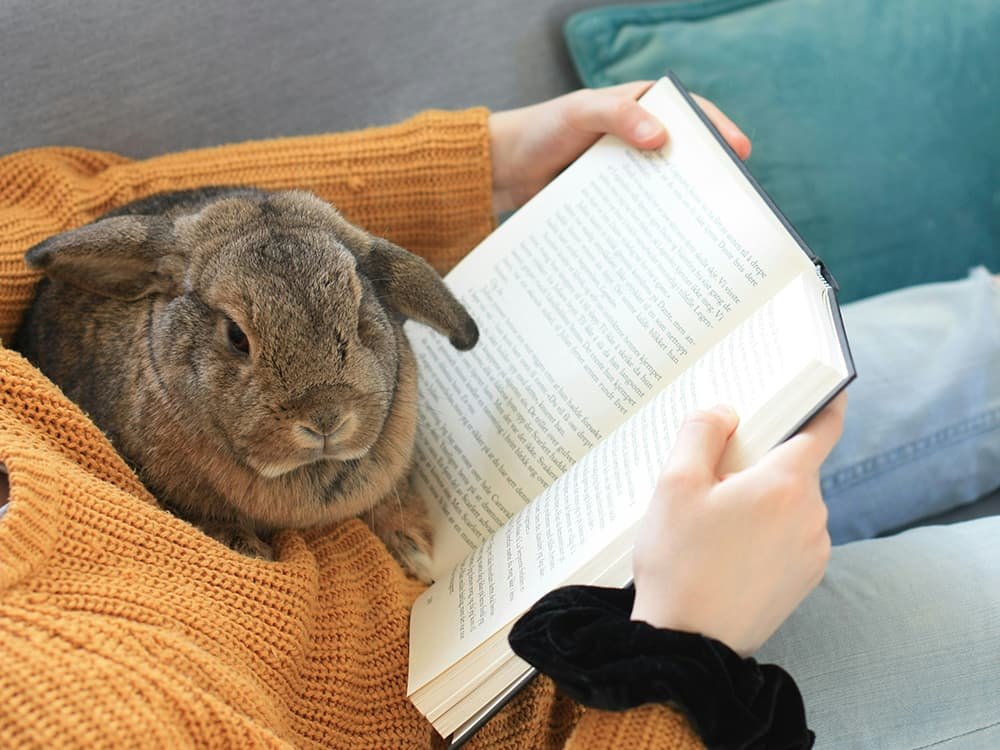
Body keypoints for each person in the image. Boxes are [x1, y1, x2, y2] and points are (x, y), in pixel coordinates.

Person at [0, 81, 997, 749]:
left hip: (463, 474)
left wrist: (489, 161)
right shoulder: (74, 705)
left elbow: (46, 215)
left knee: (967, 335)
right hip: (551, 694)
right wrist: (683, 660)